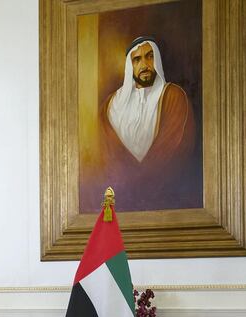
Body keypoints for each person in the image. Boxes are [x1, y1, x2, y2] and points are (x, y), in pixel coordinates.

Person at [85, 36, 198, 212]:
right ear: (130, 65)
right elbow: (101, 154)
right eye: (137, 59)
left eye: (150, 56)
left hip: (164, 204)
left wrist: (139, 185)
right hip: (120, 201)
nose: (144, 65)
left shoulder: (174, 96)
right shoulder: (111, 105)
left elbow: (175, 147)